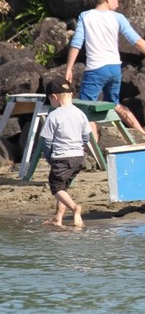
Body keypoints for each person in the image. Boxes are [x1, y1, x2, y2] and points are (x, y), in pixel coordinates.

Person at [65, 0, 145, 135]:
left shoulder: (85, 16)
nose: (118, 4)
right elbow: (137, 41)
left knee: (86, 108)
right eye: (117, 0)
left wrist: (69, 68)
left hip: (96, 69)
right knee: (114, 104)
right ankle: (143, 135)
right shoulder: (118, 18)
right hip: (115, 69)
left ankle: (94, 148)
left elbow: (76, 42)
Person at [39, 79, 91, 228]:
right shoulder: (80, 113)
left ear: (54, 97)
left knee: (55, 187)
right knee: (63, 188)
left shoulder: (54, 115)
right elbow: (86, 137)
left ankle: (75, 208)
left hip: (62, 157)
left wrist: (49, 157)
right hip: (78, 157)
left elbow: (47, 141)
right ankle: (58, 218)